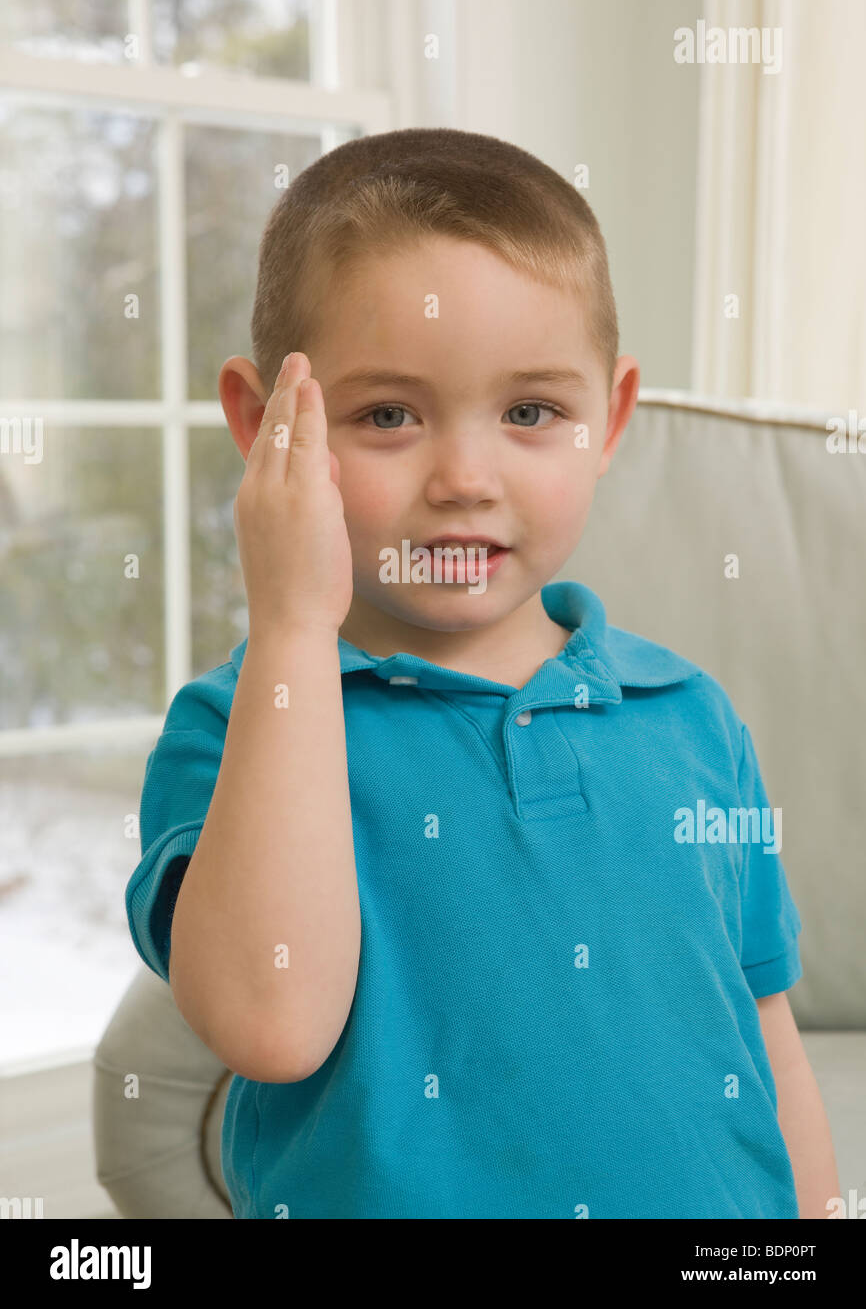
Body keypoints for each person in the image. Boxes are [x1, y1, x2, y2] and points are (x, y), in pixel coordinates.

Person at [126, 127, 840, 1219]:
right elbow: (269, 1022)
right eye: (388, 416)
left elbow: (765, 1033)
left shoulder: (691, 718)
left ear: (608, 418)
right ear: (265, 422)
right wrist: (288, 629)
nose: (464, 478)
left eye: (528, 412)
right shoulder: (245, 724)